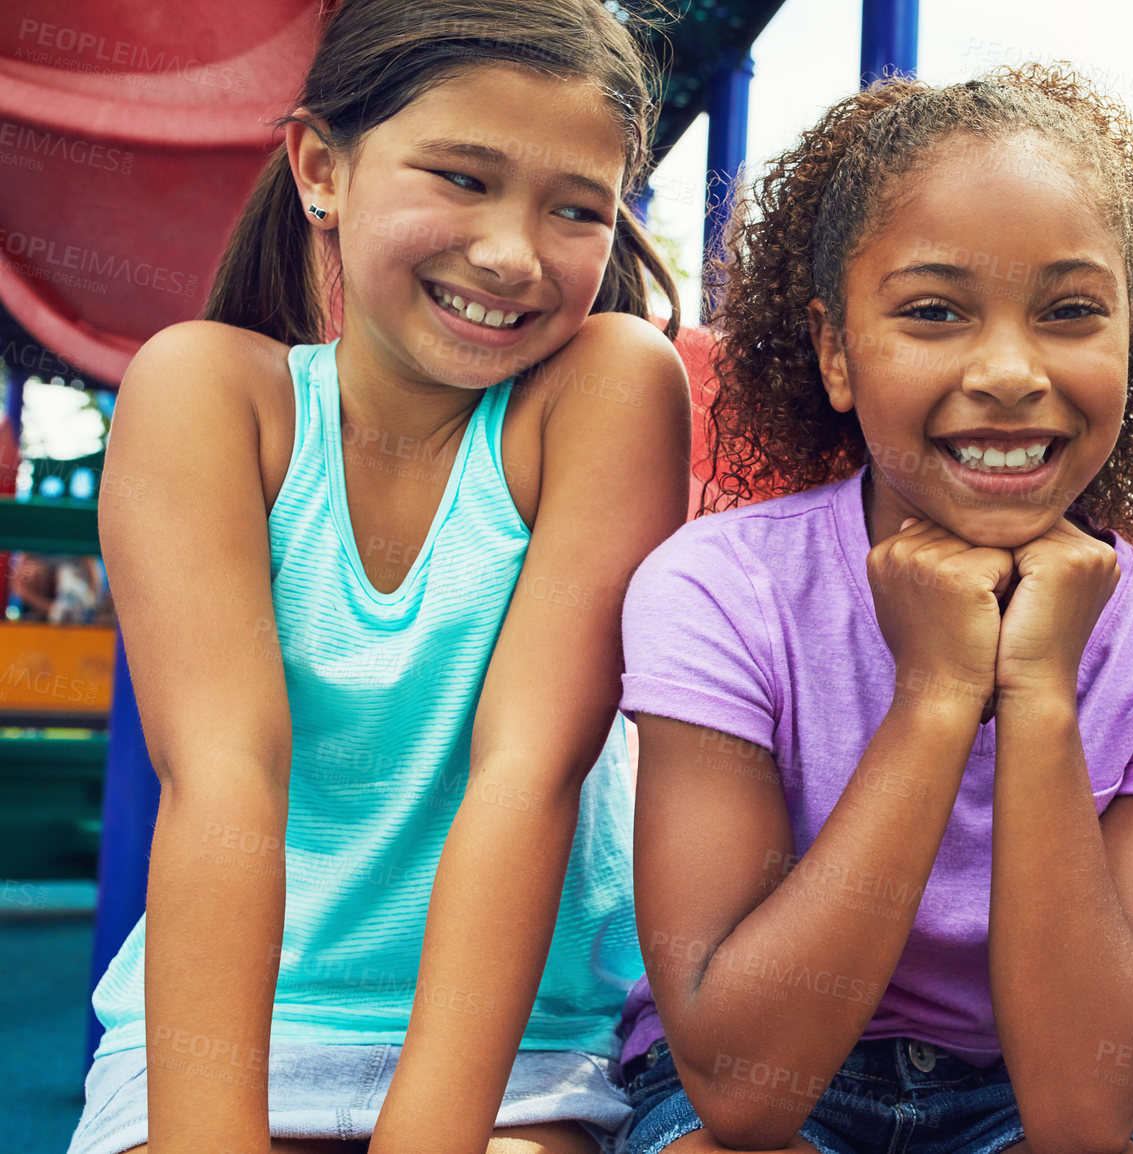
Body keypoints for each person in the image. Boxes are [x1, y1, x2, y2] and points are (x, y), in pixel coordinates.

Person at [67, 1, 689, 1151]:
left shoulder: (608, 391)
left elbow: (528, 771)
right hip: (226, 1030)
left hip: (518, 1046)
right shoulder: (209, 394)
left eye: (575, 209)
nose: (511, 252)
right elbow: (220, 776)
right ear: (321, 168)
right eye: (460, 176)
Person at [618, 66, 1133, 1154]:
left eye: (1069, 312)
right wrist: (933, 695)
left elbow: (1081, 1114)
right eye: (932, 311)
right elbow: (744, 1090)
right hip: (747, 1092)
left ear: (1131, 337)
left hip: (1014, 1093)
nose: (1009, 370)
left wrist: (1042, 695)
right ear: (835, 351)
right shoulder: (718, 589)